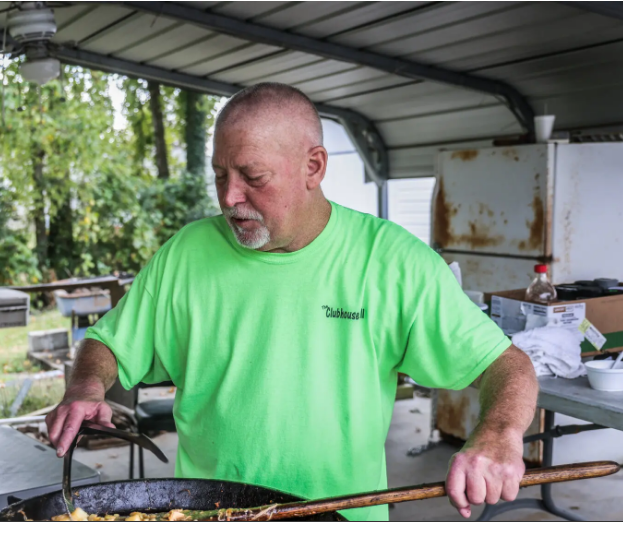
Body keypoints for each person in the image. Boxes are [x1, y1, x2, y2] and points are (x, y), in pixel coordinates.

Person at [46, 83, 539, 521]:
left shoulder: (392, 262)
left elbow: (507, 365)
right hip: (209, 514)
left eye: (252, 177)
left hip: (338, 517)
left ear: (314, 166)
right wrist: (87, 385)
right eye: (220, 175)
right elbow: (109, 341)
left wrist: (497, 433)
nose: (230, 196)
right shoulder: (186, 254)